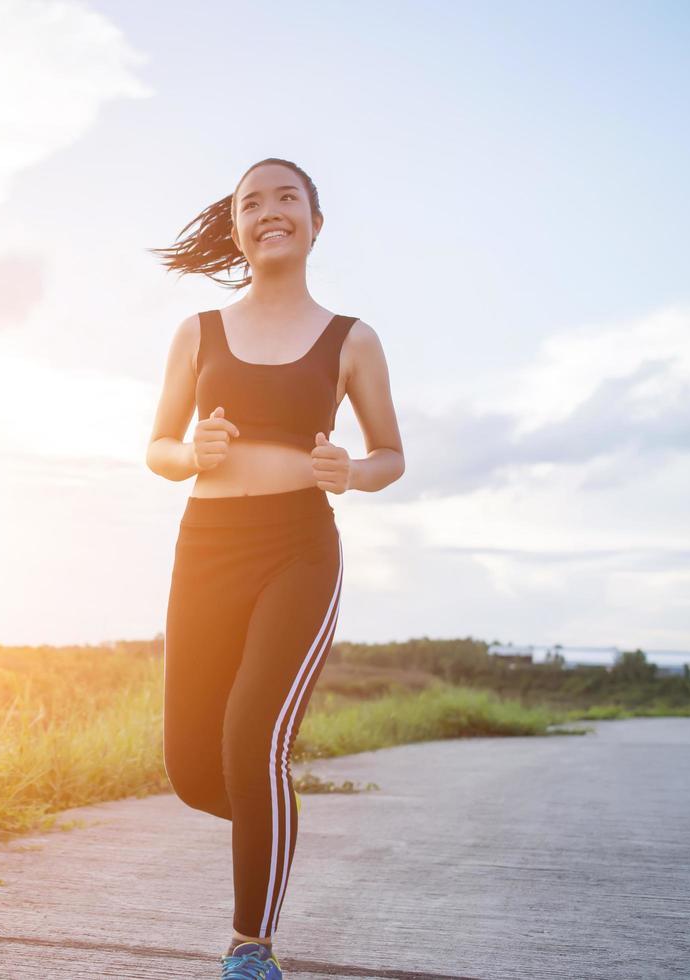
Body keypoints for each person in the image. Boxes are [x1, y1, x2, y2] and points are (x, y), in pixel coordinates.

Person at [145, 158, 405, 979]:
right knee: (194, 768)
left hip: (297, 547)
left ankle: (250, 948)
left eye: (285, 198)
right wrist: (192, 453)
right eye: (249, 203)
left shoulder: (350, 339)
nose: (268, 212)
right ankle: (272, 815)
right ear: (235, 229)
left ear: (315, 222)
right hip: (207, 547)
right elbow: (156, 449)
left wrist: (351, 473)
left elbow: (390, 454)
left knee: (252, 741)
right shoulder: (197, 333)